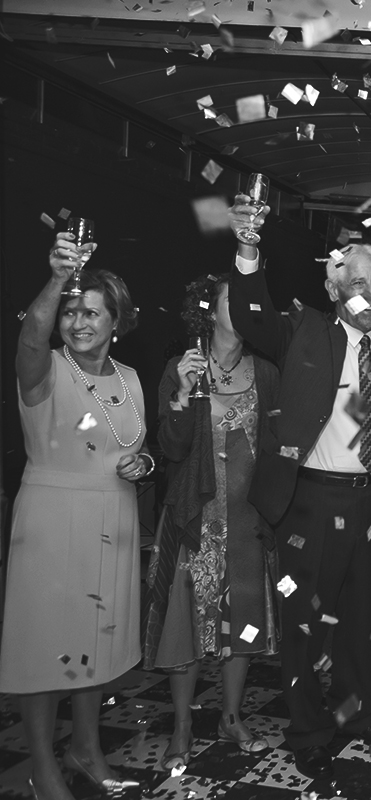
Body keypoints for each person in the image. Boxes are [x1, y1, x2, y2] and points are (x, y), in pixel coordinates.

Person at [226, 199, 371, 779]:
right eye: (358, 280)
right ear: (335, 288)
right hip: (310, 502)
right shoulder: (303, 330)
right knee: (305, 624)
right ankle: (307, 727)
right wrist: (249, 251)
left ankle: (354, 715)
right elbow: (252, 317)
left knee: (360, 620)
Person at [2, 232, 146, 800]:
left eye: (91, 311)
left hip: (115, 522)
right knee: (45, 650)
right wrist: (60, 277)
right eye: (70, 311)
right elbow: (30, 336)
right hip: (52, 522)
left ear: (117, 320)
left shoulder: (131, 379)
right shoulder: (43, 369)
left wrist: (145, 463)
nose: (77, 321)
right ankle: (42, 767)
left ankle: (86, 750)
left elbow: (129, 446)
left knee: (98, 642)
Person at [142, 274, 282, 771]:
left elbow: (276, 448)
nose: (245, 308)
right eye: (234, 300)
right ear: (209, 311)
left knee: (242, 622)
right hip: (195, 516)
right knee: (187, 625)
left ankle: (230, 716)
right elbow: (173, 448)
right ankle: (181, 725)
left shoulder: (265, 372)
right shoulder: (180, 369)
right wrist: (181, 392)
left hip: (247, 519)